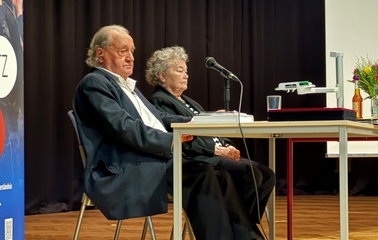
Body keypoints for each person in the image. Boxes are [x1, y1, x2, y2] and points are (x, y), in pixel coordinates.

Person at [73, 25, 264, 240]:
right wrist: (173, 139)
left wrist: (199, 120)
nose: (130, 58)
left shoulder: (128, 86)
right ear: (101, 54)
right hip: (126, 165)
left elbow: (159, 118)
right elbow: (124, 127)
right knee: (200, 172)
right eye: (122, 51)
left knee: (219, 172)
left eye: (132, 51)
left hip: (152, 157)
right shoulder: (95, 83)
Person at [145, 46, 276, 225]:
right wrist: (217, 150)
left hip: (214, 153)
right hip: (198, 158)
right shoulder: (160, 101)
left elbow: (210, 128)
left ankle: (240, 224)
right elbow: (183, 138)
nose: (186, 75)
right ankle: (240, 226)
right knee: (251, 174)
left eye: (186, 71)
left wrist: (226, 144)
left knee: (268, 175)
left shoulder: (189, 101)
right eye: (180, 70)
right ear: (162, 76)